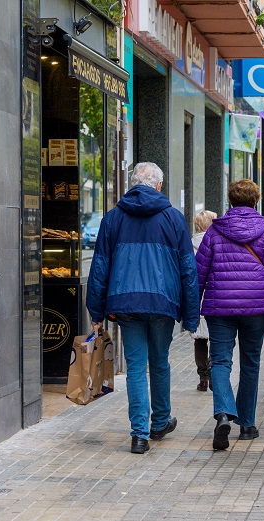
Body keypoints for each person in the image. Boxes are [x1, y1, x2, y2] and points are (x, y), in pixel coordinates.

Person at [86, 162, 199, 455]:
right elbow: (188, 268)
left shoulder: (113, 219)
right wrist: (191, 315)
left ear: (133, 183)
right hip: (163, 302)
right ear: (159, 186)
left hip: (125, 301)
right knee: (159, 363)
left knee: (136, 366)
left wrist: (96, 311)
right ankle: (159, 422)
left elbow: (99, 267)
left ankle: (139, 435)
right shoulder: (174, 219)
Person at [196, 179, 264, 451]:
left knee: (221, 362)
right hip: (256, 308)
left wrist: (190, 312)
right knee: (250, 363)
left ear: (230, 201)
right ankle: (247, 424)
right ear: (256, 201)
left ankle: (224, 413)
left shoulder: (214, 232)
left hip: (219, 307)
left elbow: (198, 275)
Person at [191, 210, 218, 392]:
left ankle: (203, 378)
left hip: (196, 295)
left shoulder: (188, 245)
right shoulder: (216, 242)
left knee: (199, 340)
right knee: (217, 336)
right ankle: (214, 371)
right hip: (215, 295)